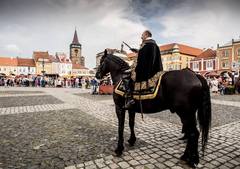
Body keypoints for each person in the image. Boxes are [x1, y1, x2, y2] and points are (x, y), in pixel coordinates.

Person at [123, 30, 163, 109]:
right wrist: (137, 51)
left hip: (146, 69)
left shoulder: (146, 44)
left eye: (142, 35)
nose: (141, 37)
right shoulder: (153, 44)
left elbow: (142, 59)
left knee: (126, 76)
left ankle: (130, 98)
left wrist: (134, 68)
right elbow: (146, 55)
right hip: (154, 68)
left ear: (146, 35)